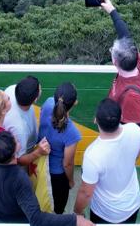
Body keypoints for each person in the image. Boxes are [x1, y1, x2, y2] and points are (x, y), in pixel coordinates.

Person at [0, 131, 93, 226]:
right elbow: (36, 219)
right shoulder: (19, 178)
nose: (18, 140)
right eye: (16, 141)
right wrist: (74, 219)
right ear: (14, 153)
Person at [73, 99, 140, 224]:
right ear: (121, 117)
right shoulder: (136, 131)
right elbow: (139, 152)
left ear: (96, 120)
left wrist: (77, 213)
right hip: (133, 206)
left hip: (105, 214)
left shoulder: (92, 155)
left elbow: (86, 193)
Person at [99, 0, 140, 139]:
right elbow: (125, 34)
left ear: (115, 62)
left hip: (124, 142)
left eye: (111, 51)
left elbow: (133, 133)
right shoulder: (136, 62)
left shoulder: (131, 97)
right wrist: (111, 10)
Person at [38, 82, 83, 214]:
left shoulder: (47, 103)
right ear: (75, 102)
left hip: (39, 163)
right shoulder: (72, 132)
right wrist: (70, 181)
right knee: (57, 209)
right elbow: (67, 164)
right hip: (56, 175)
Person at [4, 75, 51, 167]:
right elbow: (19, 160)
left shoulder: (11, 89)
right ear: (35, 100)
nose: (40, 87)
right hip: (25, 151)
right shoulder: (20, 129)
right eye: (39, 88)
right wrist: (38, 152)